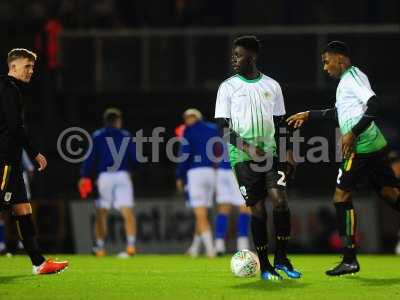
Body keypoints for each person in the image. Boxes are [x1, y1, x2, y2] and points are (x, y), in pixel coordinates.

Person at [287, 41, 400, 276]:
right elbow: (340, 112)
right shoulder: (348, 80)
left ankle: (349, 259)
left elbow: (374, 103)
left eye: (326, 61)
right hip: (374, 146)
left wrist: (352, 133)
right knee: (390, 193)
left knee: (341, 196)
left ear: (340, 59)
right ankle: (349, 259)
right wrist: (310, 114)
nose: (325, 68)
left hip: (361, 148)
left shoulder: (352, 78)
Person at [215, 36, 301, 281]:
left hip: (271, 154)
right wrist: (249, 148)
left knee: (280, 202)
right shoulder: (228, 87)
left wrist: (287, 150)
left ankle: (282, 258)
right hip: (242, 157)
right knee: (258, 210)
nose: (234, 59)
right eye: (233, 55)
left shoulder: (272, 86)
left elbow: (280, 124)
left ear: (251, 57)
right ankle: (264, 266)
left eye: (238, 55)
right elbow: (222, 127)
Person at [0, 48, 68, 274]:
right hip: (4, 160)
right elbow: (14, 126)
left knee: (23, 210)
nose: (31, 71)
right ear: (14, 67)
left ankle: (38, 263)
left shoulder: (11, 89)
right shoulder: (8, 88)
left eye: (33, 67)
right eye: (27, 66)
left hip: (13, 161)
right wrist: (34, 152)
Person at [79, 108, 138, 257]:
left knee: (102, 213)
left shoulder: (98, 136)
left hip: (105, 176)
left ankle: (100, 247)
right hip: (122, 175)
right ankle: (131, 246)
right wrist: (131, 170)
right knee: (128, 212)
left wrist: (85, 175)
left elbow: (90, 158)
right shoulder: (126, 135)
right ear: (118, 120)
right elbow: (135, 158)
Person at [176, 108, 217, 257]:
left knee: (200, 213)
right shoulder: (213, 129)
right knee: (204, 212)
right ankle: (194, 248)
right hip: (212, 173)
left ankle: (210, 249)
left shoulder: (188, 131)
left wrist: (180, 176)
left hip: (195, 173)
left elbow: (184, 155)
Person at [214, 140, 251, 255]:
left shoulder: (220, 128)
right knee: (245, 207)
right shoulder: (243, 127)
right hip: (237, 168)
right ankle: (242, 245)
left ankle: (219, 245)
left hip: (221, 170)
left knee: (223, 208)